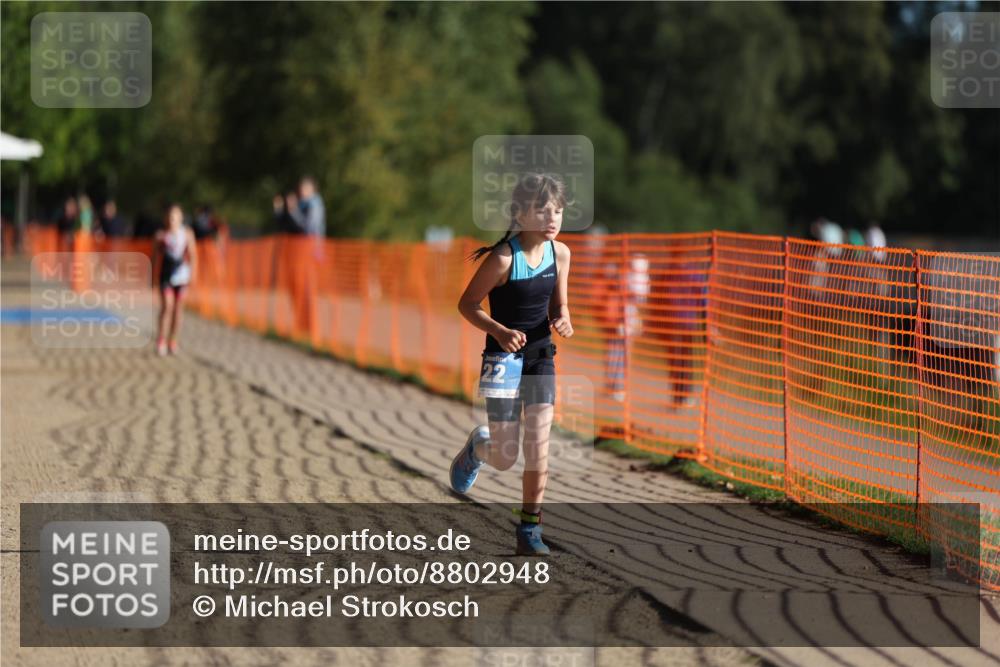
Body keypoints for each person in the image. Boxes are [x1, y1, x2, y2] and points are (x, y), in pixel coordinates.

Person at [450, 173, 573, 556]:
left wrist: (563, 319)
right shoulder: (503, 258)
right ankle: (478, 446)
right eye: (542, 209)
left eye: (557, 210)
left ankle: (529, 528)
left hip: (539, 358)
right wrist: (500, 331)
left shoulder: (561, 254)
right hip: (503, 359)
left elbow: (559, 305)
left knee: (539, 445)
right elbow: (467, 304)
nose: (551, 217)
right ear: (520, 213)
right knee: (505, 458)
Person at [152, 203, 197, 356]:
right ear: (166, 218)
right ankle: (161, 340)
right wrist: (153, 278)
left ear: (181, 218)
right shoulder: (161, 236)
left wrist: (193, 275)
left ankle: (173, 341)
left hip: (182, 277)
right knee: (167, 307)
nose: (172, 220)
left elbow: (193, 255)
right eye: (170, 217)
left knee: (178, 310)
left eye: (175, 217)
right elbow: (155, 258)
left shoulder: (187, 234)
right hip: (166, 276)